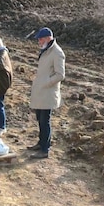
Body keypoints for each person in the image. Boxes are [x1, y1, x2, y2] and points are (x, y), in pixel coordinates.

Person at [29, 27, 65, 159]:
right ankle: (41, 142)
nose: (39, 41)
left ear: (48, 38)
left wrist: (46, 82)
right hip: (41, 92)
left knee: (45, 121)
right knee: (40, 119)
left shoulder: (57, 52)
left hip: (48, 93)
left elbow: (60, 75)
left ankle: (45, 149)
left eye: (40, 39)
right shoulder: (46, 50)